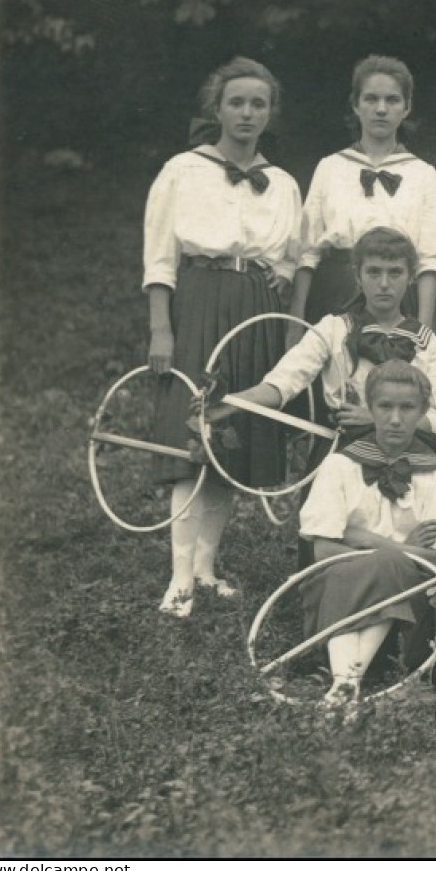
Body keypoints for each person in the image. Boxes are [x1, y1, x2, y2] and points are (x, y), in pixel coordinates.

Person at [145, 56, 301, 617]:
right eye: (237, 102)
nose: (247, 113)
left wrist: (273, 283)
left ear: (269, 113)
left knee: (234, 440)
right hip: (199, 302)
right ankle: (179, 579)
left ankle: (207, 568)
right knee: (193, 439)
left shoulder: (281, 183)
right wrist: (162, 327)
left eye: (258, 104)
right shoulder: (181, 171)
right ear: (217, 108)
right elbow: (161, 258)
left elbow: (289, 255)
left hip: (252, 313)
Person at [204, 227, 436, 453]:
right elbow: (283, 382)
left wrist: (380, 419)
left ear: (410, 278)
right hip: (343, 453)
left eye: (395, 273)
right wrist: (230, 402)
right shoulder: (333, 328)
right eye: (374, 272)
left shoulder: (425, 340)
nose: (384, 284)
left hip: (407, 457)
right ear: (357, 276)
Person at [295, 361, 436, 706]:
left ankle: (343, 684)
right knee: (371, 565)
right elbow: (323, 552)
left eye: (407, 408)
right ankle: (346, 683)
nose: (395, 419)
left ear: (424, 411)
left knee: (388, 564)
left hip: (408, 620)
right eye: (385, 407)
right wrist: (402, 549)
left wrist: (368, 540)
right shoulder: (340, 465)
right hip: (336, 608)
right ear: (370, 408)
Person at [292, 56, 436, 330]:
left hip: (397, 296)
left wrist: (423, 329)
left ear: (407, 108)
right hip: (334, 293)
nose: (381, 109)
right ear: (355, 105)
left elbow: (429, 260)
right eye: (371, 99)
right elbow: (307, 252)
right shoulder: (330, 166)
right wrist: (295, 323)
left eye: (392, 100)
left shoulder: (423, 173)